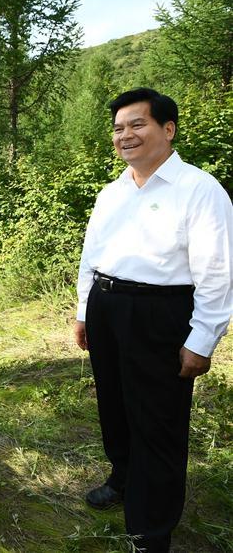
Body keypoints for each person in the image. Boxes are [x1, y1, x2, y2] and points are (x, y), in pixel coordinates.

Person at [74, 88, 232, 552]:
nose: (126, 135)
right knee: (115, 408)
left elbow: (218, 272)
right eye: (119, 128)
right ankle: (123, 480)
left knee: (158, 420)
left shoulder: (200, 190)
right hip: (107, 307)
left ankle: (152, 528)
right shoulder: (112, 192)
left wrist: (201, 340)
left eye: (137, 124)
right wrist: (86, 311)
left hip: (160, 314)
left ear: (168, 129)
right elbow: (92, 256)